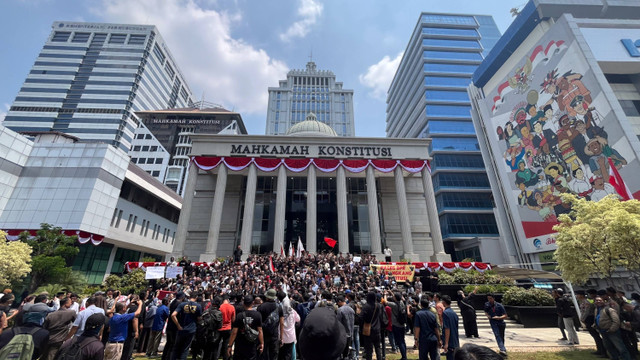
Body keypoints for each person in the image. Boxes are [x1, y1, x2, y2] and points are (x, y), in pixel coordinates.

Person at [593, 295, 631, 360]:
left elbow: (616, 320)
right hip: (603, 332)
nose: (598, 301)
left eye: (600, 300)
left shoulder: (609, 309)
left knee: (620, 348)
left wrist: (612, 329)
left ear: (603, 301)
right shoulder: (597, 310)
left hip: (612, 332)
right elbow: (597, 318)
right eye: (596, 300)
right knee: (609, 347)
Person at [228, 295, 264, 360]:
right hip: (252, 344)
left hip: (240, 344)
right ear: (253, 303)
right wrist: (261, 343)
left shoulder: (239, 315)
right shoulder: (258, 315)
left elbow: (234, 332)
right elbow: (260, 331)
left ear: (243, 304)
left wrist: (230, 345)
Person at [170, 292, 203, 360]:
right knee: (185, 348)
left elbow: (173, 315)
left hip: (181, 328)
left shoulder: (182, 304)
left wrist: (178, 325)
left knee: (176, 347)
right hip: (191, 329)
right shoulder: (198, 306)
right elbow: (199, 318)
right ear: (196, 297)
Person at [257, 289, 284, 360]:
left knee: (263, 355)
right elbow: (282, 323)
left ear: (267, 297)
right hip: (274, 335)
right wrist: (281, 338)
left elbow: (258, 324)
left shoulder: (261, 307)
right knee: (274, 355)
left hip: (263, 335)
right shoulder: (279, 307)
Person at [579, 289, 605, 357]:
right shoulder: (584, 302)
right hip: (589, 319)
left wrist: (583, 319)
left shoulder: (586, 302)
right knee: (595, 336)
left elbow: (587, 311)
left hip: (589, 319)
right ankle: (599, 350)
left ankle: (602, 351)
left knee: (596, 336)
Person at [360, 292, 384, 360]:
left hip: (368, 330)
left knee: (369, 350)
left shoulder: (366, 306)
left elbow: (361, 317)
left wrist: (363, 324)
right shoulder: (378, 306)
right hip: (377, 329)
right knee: (378, 348)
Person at [162, 292, 185, 360]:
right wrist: (178, 325)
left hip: (169, 325)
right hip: (174, 326)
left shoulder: (173, 302)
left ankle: (164, 357)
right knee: (173, 344)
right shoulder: (179, 304)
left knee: (168, 343)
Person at [214, 295, 236, 360]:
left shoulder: (219, 307)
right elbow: (233, 319)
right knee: (226, 345)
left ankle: (215, 357)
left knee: (217, 345)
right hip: (228, 328)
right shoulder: (232, 307)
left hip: (219, 328)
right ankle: (226, 358)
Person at [388, 292, 407, 360]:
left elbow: (384, 302)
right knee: (402, 341)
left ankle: (404, 357)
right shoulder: (402, 303)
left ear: (395, 298)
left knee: (399, 342)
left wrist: (384, 294)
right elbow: (399, 298)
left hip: (396, 325)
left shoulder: (393, 305)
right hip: (402, 325)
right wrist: (392, 293)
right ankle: (404, 355)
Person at [441, 295, 460, 360]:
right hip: (455, 341)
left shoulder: (445, 313)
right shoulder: (454, 313)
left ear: (443, 302)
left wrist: (446, 343)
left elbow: (447, 328)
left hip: (450, 342)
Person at [336, 295, 355, 359]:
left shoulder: (340, 310)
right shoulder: (351, 309)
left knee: (341, 354)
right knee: (347, 354)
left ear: (340, 301)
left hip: (343, 335)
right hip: (351, 334)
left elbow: (338, 323)